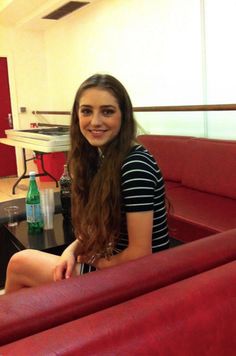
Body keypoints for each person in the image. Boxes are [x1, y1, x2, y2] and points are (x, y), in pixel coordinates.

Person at [4, 74, 169, 293]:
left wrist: (93, 261)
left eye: (107, 111)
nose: (95, 121)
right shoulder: (103, 158)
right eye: (87, 111)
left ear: (124, 116)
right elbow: (95, 228)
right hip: (120, 267)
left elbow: (140, 253)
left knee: (20, 263)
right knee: (34, 276)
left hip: (140, 278)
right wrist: (70, 252)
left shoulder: (135, 164)